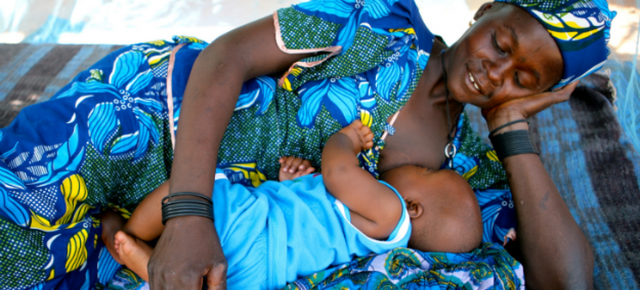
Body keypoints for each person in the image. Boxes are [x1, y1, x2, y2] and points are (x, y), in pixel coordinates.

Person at [0, 0, 613, 289]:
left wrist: (512, 131)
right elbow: (227, 55)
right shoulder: (378, 25)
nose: (496, 75)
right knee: (22, 208)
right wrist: (190, 210)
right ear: (486, 11)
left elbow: (568, 282)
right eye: (502, 45)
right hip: (153, 122)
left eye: (523, 80)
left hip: (223, 233)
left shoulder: (465, 173)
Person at [100, 120, 482, 289]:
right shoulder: (377, 235)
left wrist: (345, 140)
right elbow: (319, 213)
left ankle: (132, 235)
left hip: (257, 230)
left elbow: (339, 175)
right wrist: (294, 185)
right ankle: (148, 268)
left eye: (423, 171)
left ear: (414, 207)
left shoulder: (393, 213)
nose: (411, 167)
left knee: (189, 192)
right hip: (262, 274)